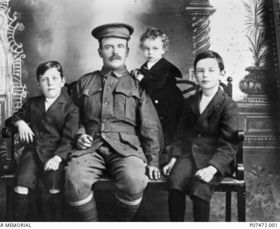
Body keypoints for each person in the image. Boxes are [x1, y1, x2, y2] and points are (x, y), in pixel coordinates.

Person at [64, 23, 164, 222]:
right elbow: (70, 116)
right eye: (109, 47)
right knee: (74, 180)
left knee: (135, 180)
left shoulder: (137, 84)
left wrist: (153, 161)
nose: (115, 51)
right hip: (90, 147)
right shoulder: (85, 82)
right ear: (100, 51)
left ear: (127, 50)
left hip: (126, 148)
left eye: (119, 46)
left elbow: (150, 125)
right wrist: (79, 134)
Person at [162, 50, 239, 221]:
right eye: (200, 71)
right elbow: (181, 134)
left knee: (199, 189)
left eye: (211, 70)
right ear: (195, 74)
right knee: (175, 184)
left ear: (222, 73)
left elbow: (229, 143)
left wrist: (212, 168)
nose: (205, 75)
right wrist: (173, 158)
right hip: (189, 155)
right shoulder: (190, 102)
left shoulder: (228, 106)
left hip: (215, 158)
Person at [5, 61, 79, 221]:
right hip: (33, 152)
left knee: (54, 186)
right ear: (39, 84)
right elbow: (11, 119)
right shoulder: (33, 103)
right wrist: (20, 122)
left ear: (62, 81)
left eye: (54, 78)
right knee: (21, 184)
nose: (50, 83)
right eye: (44, 79)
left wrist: (58, 158)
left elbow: (68, 139)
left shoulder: (70, 109)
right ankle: (19, 223)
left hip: (56, 154)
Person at [132, 27, 183, 145]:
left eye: (155, 48)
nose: (150, 52)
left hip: (168, 106)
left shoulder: (166, 68)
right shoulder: (145, 67)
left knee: (164, 133)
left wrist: (140, 78)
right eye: (147, 49)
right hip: (152, 104)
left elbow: (155, 86)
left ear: (163, 49)